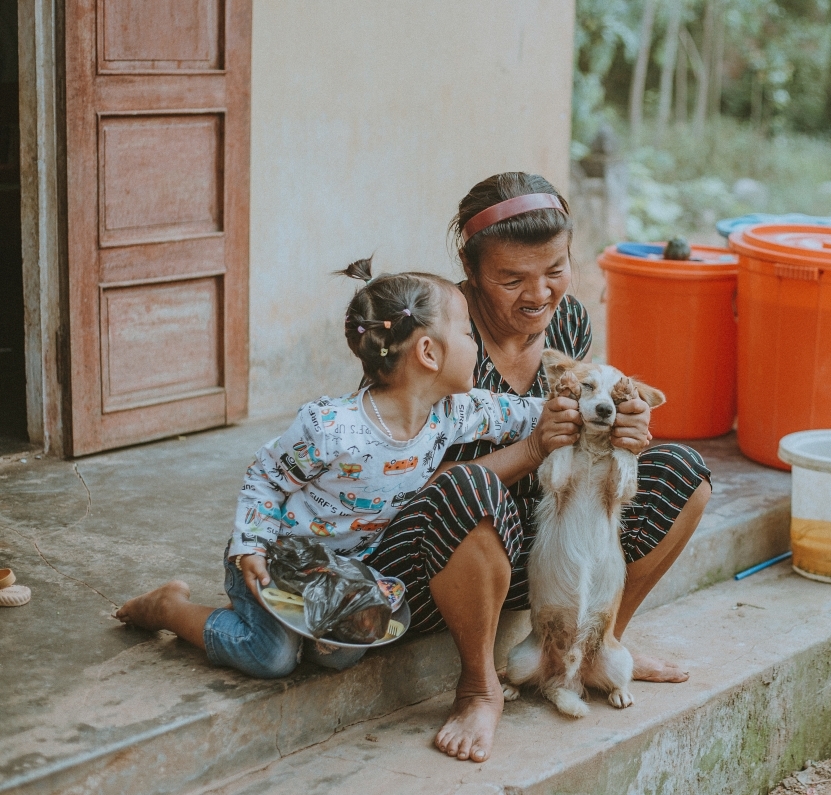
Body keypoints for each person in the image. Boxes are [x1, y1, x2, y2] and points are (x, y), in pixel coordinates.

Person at [364, 172, 712, 763]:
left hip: (546, 550)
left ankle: (599, 644)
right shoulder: (431, 333)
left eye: (555, 270)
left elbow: (593, 442)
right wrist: (531, 451)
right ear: (470, 273)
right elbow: (398, 487)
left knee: (683, 471)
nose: (539, 295)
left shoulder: (568, 322)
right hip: (441, 557)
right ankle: (479, 686)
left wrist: (625, 438)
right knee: (470, 487)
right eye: (511, 279)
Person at [115, 266, 552, 679]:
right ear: (428, 353)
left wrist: (589, 404)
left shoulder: (453, 413)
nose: (476, 344)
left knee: (339, 658)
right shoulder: (331, 427)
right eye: (465, 332)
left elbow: (527, 415)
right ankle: (168, 608)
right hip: (276, 558)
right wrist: (251, 546)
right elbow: (265, 477)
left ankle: (301, 630)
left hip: (343, 572)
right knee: (270, 657)